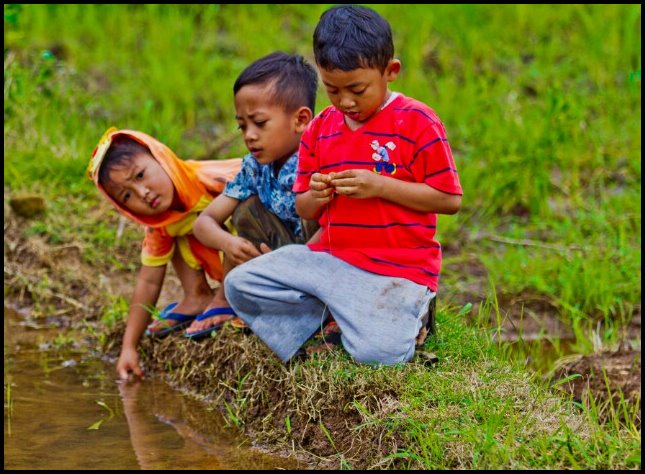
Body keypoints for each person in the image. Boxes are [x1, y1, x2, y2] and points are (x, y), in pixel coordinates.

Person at [223, 5, 463, 365]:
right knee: (239, 284)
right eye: (333, 90)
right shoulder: (321, 128)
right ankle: (330, 323)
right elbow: (304, 207)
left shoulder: (417, 122)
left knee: (379, 354)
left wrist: (380, 186)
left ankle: (405, 315)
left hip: (397, 269)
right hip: (332, 262)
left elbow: (448, 199)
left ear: (390, 71)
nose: (345, 101)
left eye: (357, 89)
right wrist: (316, 195)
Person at [87, 128, 241, 379]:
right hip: (233, 260)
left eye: (140, 175)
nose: (143, 193)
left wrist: (224, 297)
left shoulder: (216, 182)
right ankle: (197, 296)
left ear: (161, 157)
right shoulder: (160, 220)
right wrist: (129, 347)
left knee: (243, 214)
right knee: (170, 228)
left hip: (268, 247)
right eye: (127, 195)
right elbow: (148, 280)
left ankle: (225, 298)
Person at [188, 51, 320, 339]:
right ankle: (225, 300)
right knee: (246, 209)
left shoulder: (319, 159)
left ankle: (318, 309)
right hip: (275, 259)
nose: (249, 135)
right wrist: (229, 243)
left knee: (319, 205)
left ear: (300, 120)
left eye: (259, 123)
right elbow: (204, 222)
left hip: (320, 262)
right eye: (242, 126)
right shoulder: (254, 168)